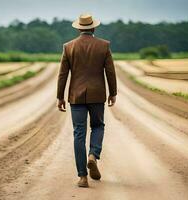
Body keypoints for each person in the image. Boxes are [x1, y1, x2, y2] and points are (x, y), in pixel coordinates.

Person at [56, 14, 117, 188]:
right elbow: (110, 72)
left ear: (78, 28)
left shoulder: (68, 47)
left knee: (79, 134)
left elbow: (62, 74)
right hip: (97, 95)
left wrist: (60, 97)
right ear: (94, 28)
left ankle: (82, 177)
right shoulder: (104, 46)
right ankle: (93, 155)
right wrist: (113, 93)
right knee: (98, 126)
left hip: (76, 97)